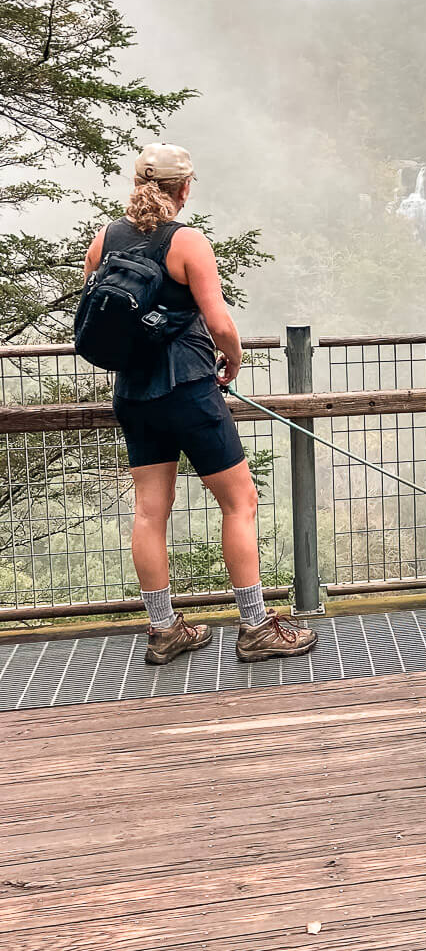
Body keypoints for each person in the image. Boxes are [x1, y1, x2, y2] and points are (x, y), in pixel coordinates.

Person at [84, 143, 318, 667]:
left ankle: (164, 629)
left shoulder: (104, 240)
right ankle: (255, 625)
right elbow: (219, 324)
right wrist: (230, 361)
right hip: (189, 389)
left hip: (133, 393)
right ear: (183, 188)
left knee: (149, 510)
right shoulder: (186, 241)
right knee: (240, 502)